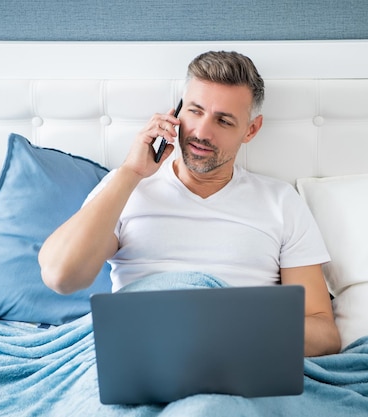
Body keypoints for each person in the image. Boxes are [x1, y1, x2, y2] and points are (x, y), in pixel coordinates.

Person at [39, 51, 341, 356]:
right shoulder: (126, 187)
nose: (201, 132)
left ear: (250, 129)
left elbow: (324, 333)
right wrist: (131, 173)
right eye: (195, 111)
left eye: (223, 121)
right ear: (176, 112)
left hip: (235, 359)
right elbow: (60, 276)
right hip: (141, 354)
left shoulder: (280, 201)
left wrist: (231, 325)